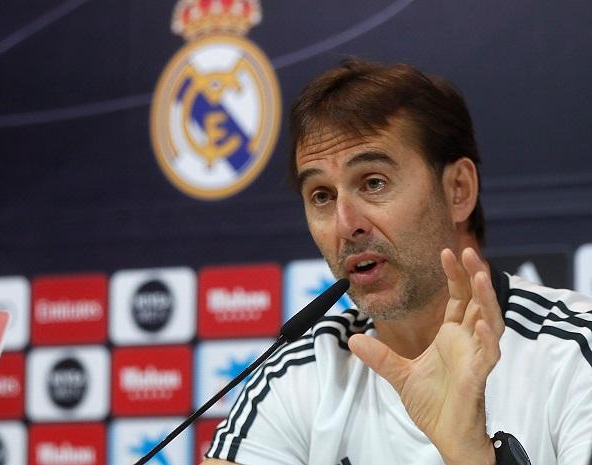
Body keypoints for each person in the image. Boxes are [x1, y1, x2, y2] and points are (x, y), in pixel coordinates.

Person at [201, 58, 592, 465]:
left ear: (458, 190)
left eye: (373, 183)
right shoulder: (298, 375)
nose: (345, 225)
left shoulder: (575, 352)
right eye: (322, 195)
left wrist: (470, 454)